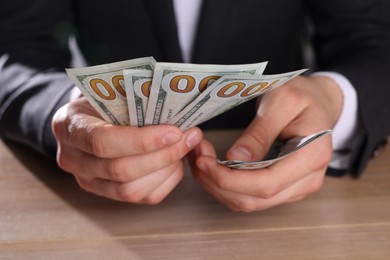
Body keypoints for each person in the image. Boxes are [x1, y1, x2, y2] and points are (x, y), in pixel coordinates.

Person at [1, 0, 390, 212]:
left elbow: (375, 39)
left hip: (286, 186)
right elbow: (15, 48)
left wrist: (334, 98)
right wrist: (67, 116)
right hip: (103, 205)